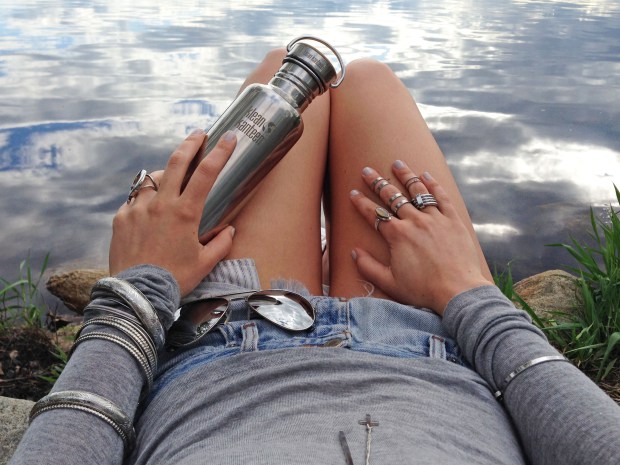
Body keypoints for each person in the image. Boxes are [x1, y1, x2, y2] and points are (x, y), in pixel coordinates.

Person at [10, 49, 620, 465]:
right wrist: (471, 295)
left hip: (224, 347)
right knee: (366, 82)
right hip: (433, 345)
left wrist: (139, 292)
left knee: (286, 78)